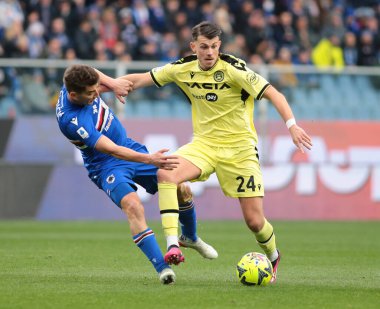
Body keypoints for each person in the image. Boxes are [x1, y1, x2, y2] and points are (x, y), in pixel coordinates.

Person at [119, 21, 313, 283]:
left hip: (240, 149)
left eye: (213, 47)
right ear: (193, 46)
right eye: (203, 47)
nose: (209, 52)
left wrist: (292, 126)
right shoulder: (182, 68)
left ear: (219, 46)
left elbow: (274, 94)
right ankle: (173, 244)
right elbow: (139, 79)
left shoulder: (234, 70)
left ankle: (273, 255)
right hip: (204, 144)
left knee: (255, 222)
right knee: (166, 174)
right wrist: (105, 84)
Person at [55, 64, 217, 285]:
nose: (96, 94)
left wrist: (112, 83)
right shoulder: (72, 122)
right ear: (74, 95)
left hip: (129, 146)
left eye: (96, 90)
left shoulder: (74, 84)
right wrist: (150, 159)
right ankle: (163, 268)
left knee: (181, 188)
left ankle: (190, 237)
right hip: (106, 166)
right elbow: (111, 149)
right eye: (91, 93)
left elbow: (88, 70)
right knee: (133, 206)